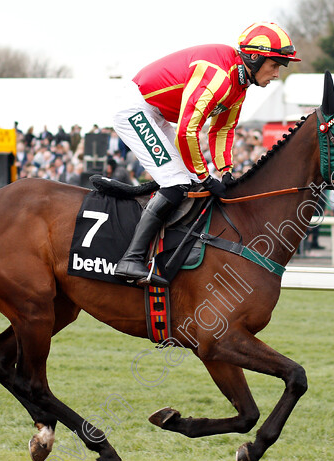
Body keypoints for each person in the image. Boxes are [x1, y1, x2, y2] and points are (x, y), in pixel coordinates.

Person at [111, 21, 300, 286]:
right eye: (275, 65)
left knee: (189, 184)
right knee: (177, 182)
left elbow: (222, 131)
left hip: (158, 113)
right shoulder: (220, 77)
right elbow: (188, 131)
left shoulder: (239, 84)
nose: (276, 73)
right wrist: (205, 175)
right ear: (255, 58)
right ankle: (131, 259)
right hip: (136, 108)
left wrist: (225, 172)